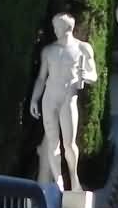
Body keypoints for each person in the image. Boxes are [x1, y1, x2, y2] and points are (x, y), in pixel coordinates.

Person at [30, 13, 98, 193]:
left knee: (69, 143)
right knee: (52, 142)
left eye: (57, 27)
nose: (54, 30)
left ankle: (74, 179)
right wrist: (34, 98)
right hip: (49, 98)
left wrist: (85, 76)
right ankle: (58, 180)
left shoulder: (83, 48)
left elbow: (93, 75)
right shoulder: (49, 51)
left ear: (66, 28)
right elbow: (41, 78)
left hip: (68, 98)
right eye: (54, 27)